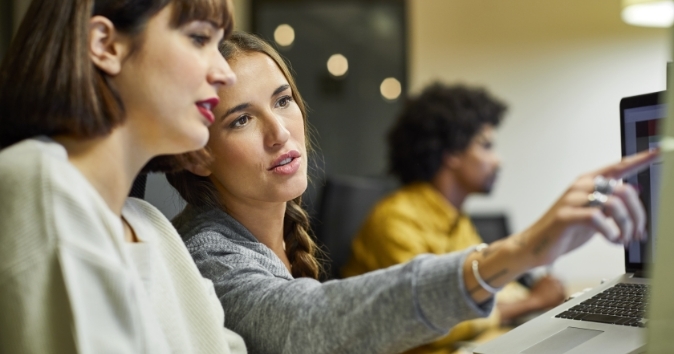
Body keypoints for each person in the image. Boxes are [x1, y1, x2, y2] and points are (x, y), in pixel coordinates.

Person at [167, 31, 656, 354]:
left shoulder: (271, 235)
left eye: (283, 100)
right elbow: (308, 322)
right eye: (242, 119)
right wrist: (523, 250)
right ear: (197, 152)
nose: (280, 133)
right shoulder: (206, 255)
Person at [0, 0, 247, 353]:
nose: (225, 73)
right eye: (198, 38)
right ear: (105, 44)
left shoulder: (153, 228)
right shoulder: (39, 182)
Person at [341, 83, 566, 353]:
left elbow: (490, 287)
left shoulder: (456, 220)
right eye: (486, 146)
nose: (498, 161)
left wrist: (535, 294)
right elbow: (427, 318)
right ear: (452, 154)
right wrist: (531, 302)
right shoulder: (394, 220)